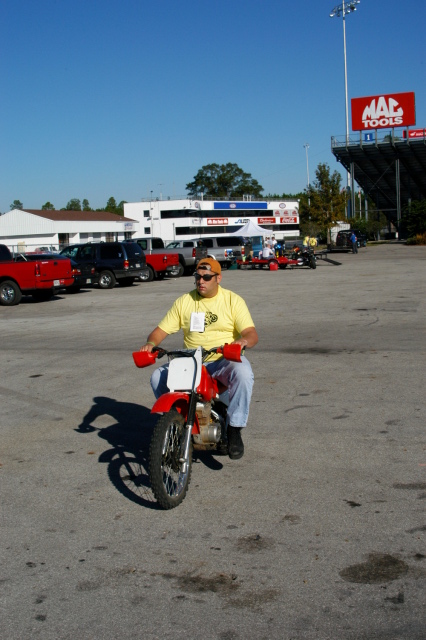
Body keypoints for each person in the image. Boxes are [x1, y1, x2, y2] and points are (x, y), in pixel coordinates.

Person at [140, 258, 259, 460]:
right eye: (197, 276)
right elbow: (159, 332)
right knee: (157, 377)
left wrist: (242, 342)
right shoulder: (184, 301)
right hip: (192, 360)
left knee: (244, 373)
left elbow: (251, 333)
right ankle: (176, 422)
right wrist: (151, 344)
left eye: (206, 277)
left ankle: (234, 428)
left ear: (218, 278)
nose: (201, 281)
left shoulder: (233, 300)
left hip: (223, 359)